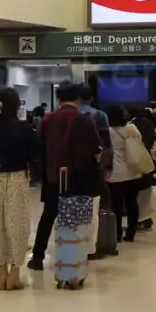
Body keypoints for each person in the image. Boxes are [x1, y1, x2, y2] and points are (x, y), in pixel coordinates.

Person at [28, 82, 101, 272]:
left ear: (59, 98)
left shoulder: (48, 119)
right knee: (75, 219)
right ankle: (72, 259)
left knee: (48, 217)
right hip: (78, 178)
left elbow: (38, 148)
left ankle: (37, 258)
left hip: (53, 176)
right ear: (77, 98)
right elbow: (97, 149)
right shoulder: (85, 120)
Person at [0, 88, 39, 290]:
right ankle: (14, 273)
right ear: (17, 105)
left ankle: (1, 272)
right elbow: (35, 155)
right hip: (17, 177)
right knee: (17, 224)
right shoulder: (24, 129)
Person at [78, 83, 111, 261]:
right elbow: (105, 145)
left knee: (72, 208)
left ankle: (72, 245)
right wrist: (107, 166)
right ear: (91, 98)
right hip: (92, 168)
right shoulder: (99, 115)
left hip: (69, 169)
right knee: (94, 208)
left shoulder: (68, 115)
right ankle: (91, 247)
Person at [105, 106, 142, 243]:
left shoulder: (108, 132)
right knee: (132, 203)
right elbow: (140, 145)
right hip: (132, 171)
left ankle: (117, 234)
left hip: (115, 173)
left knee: (116, 205)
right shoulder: (132, 129)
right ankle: (131, 232)